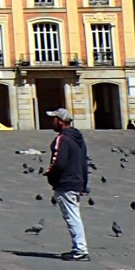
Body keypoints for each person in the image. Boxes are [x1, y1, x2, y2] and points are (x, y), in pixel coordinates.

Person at [45, 108, 90, 260]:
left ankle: (80, 250)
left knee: (72, 217)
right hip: (76, 181)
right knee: (74, 216)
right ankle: (80, 248)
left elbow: (58, 163)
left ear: (60, 121)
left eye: (53, 119)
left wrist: (51, 177)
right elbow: (84, 162)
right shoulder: (78, 137)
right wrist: (83, 184)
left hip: (66, 182)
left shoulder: (62, 139)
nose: (52, 122)